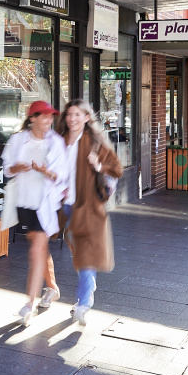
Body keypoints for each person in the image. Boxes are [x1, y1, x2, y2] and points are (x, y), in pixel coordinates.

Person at [0, 100, 68, 327]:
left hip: (46, 204)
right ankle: (53, 288)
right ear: (32, 118)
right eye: (44, 116)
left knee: (35, 251)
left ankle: (29, 305)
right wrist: (19, 167)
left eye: (51, 117)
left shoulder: (56, 143)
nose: (49, 120)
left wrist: (44, 170)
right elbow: (7, 168)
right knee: (39, 249)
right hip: (24, 201)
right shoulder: (18, 139)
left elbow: (61, 176)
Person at [57, 99, 122, 326]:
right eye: (69, 114)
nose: (72, 119)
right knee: (76, 250)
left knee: (84, 254)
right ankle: (89, 284)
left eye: (77, 114)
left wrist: (98, 167)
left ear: (86, 118)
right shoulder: (60, 140)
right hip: (64, 205)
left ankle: (83, 303)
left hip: (87, 206)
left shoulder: (95, 142)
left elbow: (117, 168)